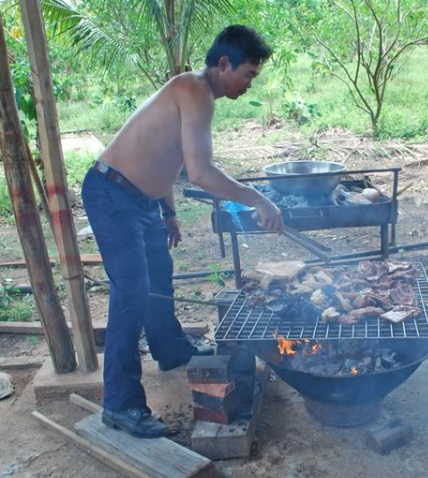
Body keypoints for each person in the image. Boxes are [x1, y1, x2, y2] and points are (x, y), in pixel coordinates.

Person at [81, 25, 284, 438]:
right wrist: (259, 199)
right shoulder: (195, 90)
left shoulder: (196, 93)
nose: (248, 84)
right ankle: (120, 405)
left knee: (160, 273)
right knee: (131, 293)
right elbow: (201, 171)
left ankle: (170, 349)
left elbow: (168, 154)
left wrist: (168, 210)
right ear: (224, 64)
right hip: (111, 195)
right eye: (248, 74)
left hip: (141, 201)